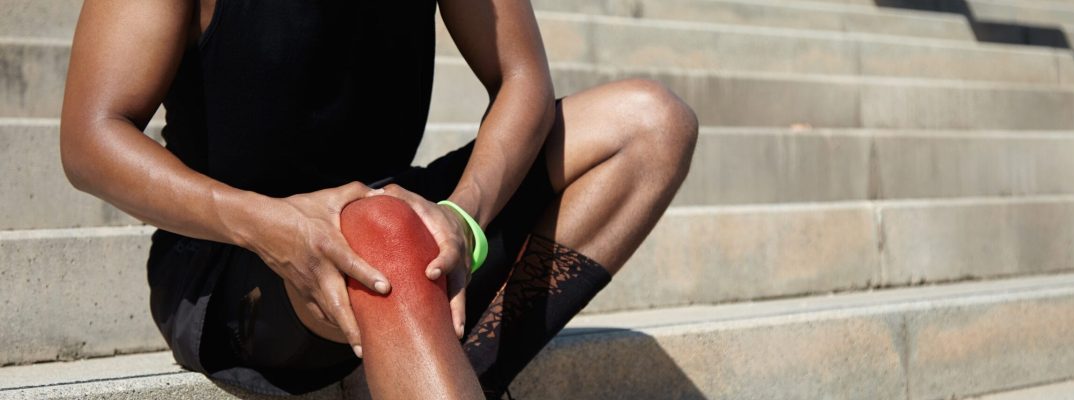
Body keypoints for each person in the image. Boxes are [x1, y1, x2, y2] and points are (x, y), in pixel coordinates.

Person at [60, 0, 698, 397]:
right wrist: (270, 224)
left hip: (401, 218)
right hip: (237, 255)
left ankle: (450, 373)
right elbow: (91, 137)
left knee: (650, 123)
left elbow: (522, 76)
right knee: (381, 226)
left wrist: (462, 212)